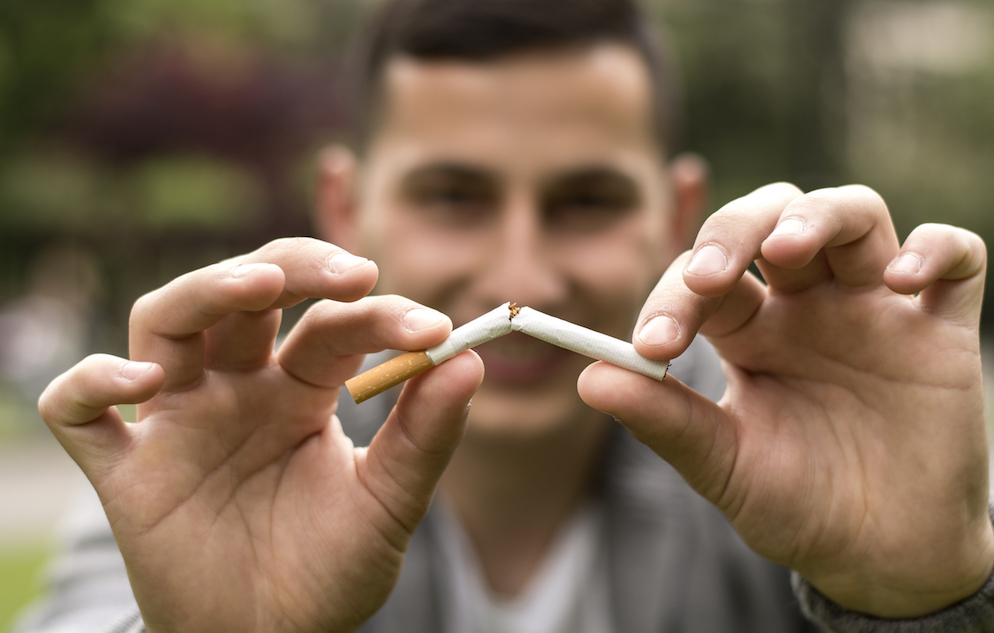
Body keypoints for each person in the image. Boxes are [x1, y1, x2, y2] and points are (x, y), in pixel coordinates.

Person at [16, 0, 994, 631]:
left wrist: (923, 595)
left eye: (586, 201)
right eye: (453, 196)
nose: (520, 277)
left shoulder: (796, 439)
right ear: (345, 208)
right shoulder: (228, 458)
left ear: (677, 214)